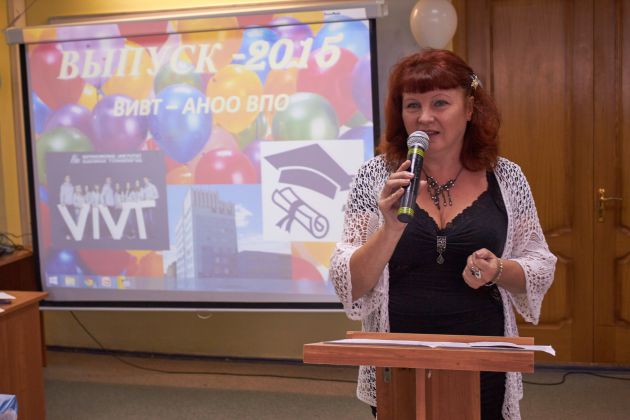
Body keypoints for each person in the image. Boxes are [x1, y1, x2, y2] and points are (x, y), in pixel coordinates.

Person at [329, 48, 557, 420]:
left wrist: (498, 270)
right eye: (412, 106)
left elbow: (539, 265)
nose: (425, 117)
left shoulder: (506, 177)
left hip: (482, 359)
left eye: (440, 103)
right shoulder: (374, 177)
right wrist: (389, 229)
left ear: (469, 109)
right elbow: (350, 284)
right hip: (399, 362)